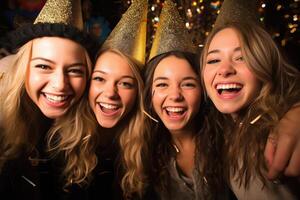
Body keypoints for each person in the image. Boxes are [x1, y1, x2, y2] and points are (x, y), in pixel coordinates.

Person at [0, 0, 97, 199]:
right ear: (22, 70)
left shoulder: (95, 137)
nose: (60, 84)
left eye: (75, 70)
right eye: (44, 66)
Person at [200, 14, 300, 200]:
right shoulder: (219, 129)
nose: (224, 69)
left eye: (241, 58)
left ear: (264, 64)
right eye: (213, 60)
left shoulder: (278, 129)